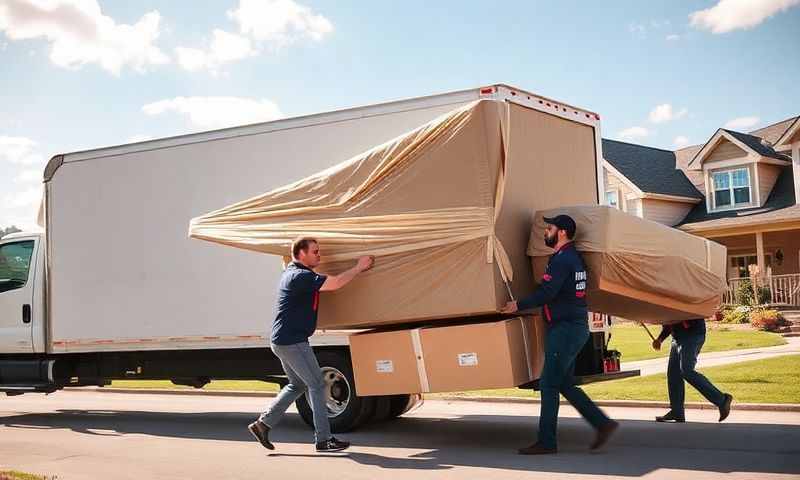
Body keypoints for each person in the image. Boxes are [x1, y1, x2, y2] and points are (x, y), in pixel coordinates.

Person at [501, 214, 618, 455]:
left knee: (548, 383)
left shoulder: (563, 260)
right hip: (573, 327)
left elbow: (547, 292)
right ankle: (602, 423)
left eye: (550, 228)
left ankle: (547, 441)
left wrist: (517, 305)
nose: (546, 232)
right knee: (564, 382)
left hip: (564, 330)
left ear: (562, 232)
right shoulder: (572, 258)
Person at [248, 237, 374, 453]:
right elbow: (335, 283)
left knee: (297, 385)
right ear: (301, 253)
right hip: (292, 341)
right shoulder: (300, 276)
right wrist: (358, 267)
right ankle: (324, 439)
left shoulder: (293, 274)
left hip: (283, 340)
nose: (319, 255)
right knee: (316, 384)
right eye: (315, 251)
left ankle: (263, 424)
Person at [651, 319, 733, 423]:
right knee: (674, 375)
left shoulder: (684, 304)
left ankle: (722, 400)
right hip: (677, 338)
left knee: (687, 371)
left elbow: (688, 317)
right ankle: (677, 412)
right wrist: (660, 339)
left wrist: (681, 321)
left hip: (692, 336)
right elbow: (669, 322)